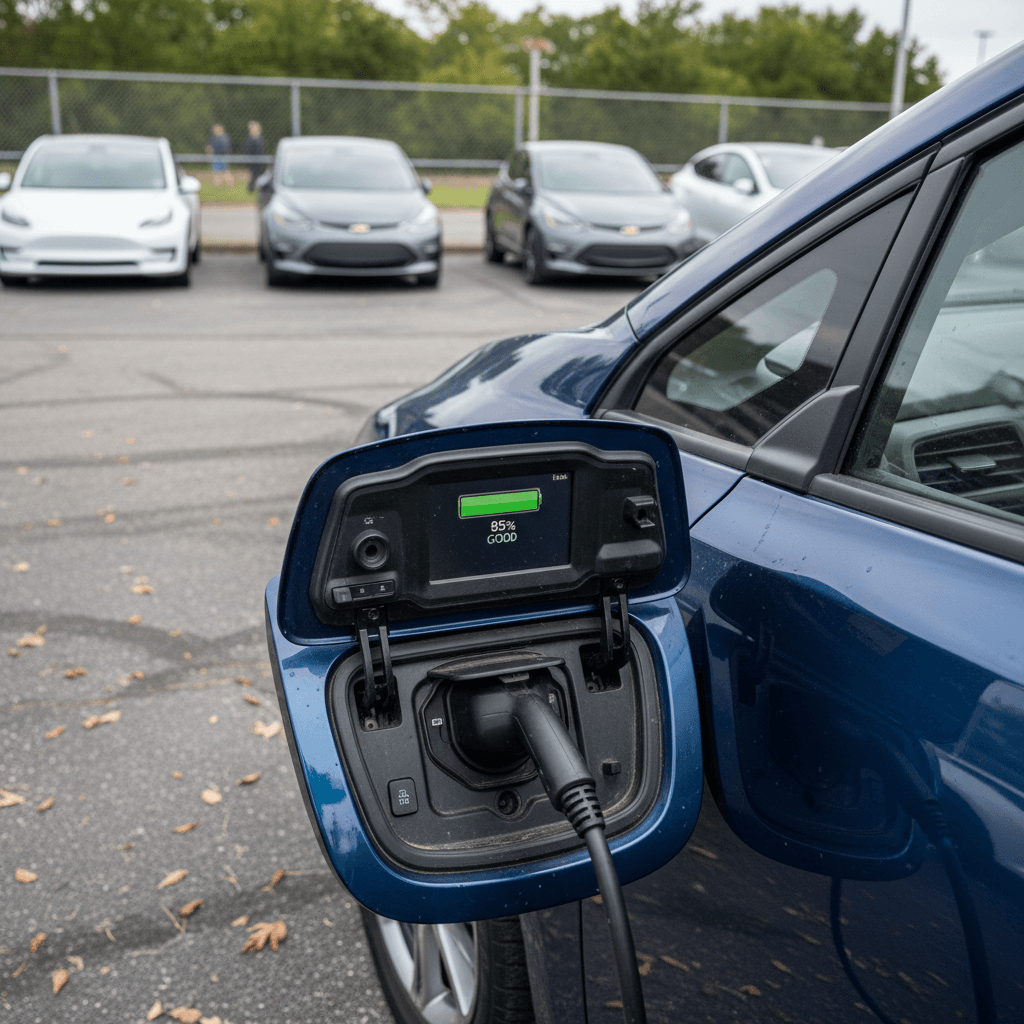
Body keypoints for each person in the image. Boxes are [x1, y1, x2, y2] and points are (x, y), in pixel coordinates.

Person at [205, 123, 234, 188]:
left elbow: (228, 147)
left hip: (223, 156)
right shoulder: (212, 138)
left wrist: (228, 155)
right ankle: (217, 186)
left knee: (226, 171)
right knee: (216, 172)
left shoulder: (225, 137)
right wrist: (209, 154)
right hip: (215, 157)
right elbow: (209, 147)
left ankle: (230, 185)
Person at [242, 121, 266, 193]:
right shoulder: (250, 139)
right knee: (254, 175)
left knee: (259, 174)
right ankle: (251, 189)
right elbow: (247, 150)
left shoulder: (260, 138)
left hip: (260, 159)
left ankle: (256, 188)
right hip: (252, 160)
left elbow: (262, 149)